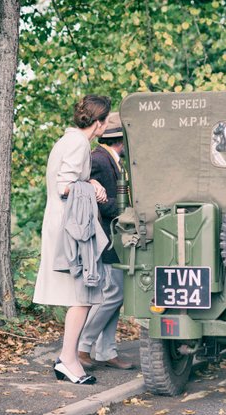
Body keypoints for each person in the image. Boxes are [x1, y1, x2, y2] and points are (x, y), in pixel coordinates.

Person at [34, 95, 111, 384]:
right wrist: (93, 186)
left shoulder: (67, 140)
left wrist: (89, 182)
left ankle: (68, 357)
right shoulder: (79, 144)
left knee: (82, 296)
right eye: (106, 120)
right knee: (83, 296)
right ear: (99, 122)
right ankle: (68, 359)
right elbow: (65, 187)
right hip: (72, 230)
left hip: (63, 225)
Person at [78, 112, 134, 370]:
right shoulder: (98, 160)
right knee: (114, 294)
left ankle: (106, 350)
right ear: (121, 141)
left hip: (115, 236)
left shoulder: (110, 160)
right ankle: (83, 346)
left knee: (116, 295)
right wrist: (124, 209)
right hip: (106, 236)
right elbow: (89, 199)